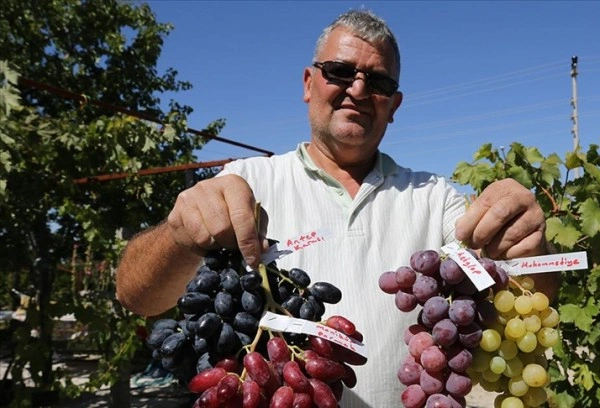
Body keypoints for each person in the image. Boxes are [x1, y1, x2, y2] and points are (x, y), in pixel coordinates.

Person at [116, 8, 558, 407]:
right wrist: (177, 238)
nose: (359, 89)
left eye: (379, 82)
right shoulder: (244, 183)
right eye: (340, 71)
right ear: (309, 83)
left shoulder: (436, 197)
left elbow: (506, 297)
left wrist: (528, 247)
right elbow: (137, 297)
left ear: (394, 106)